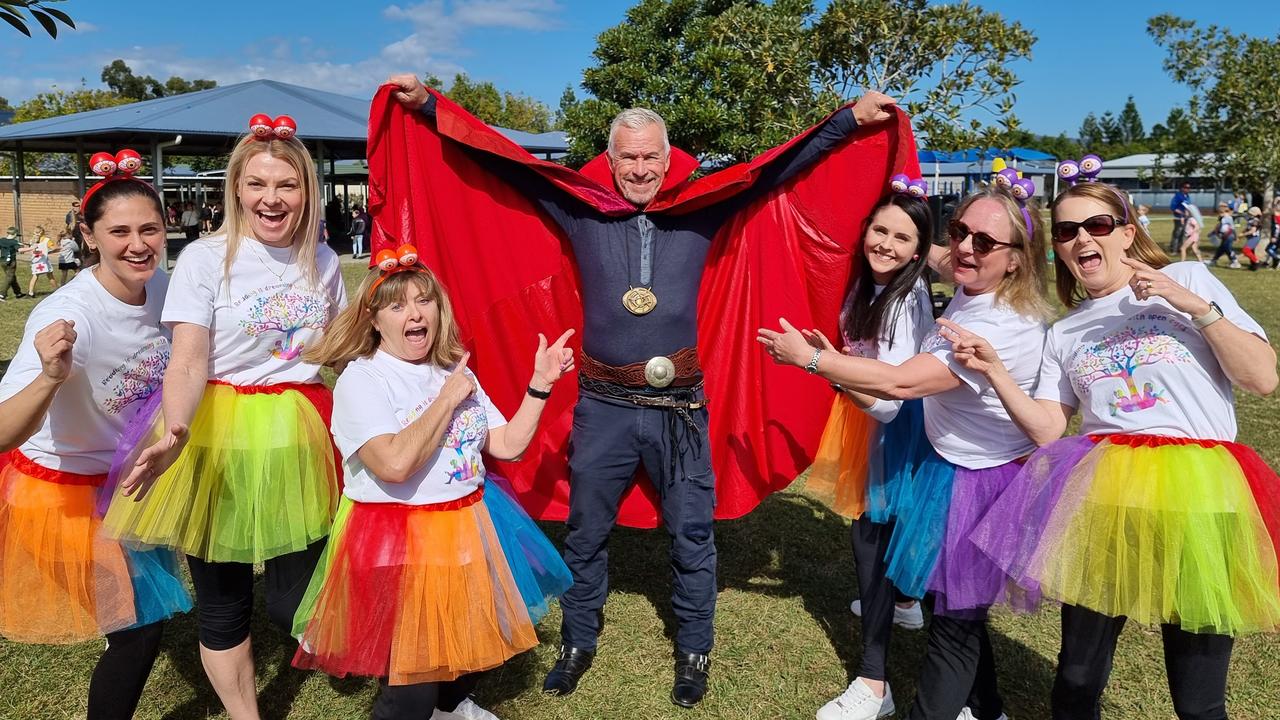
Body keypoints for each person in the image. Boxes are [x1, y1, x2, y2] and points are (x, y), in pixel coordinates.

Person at [382, 75, 904, 708]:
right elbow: (504, 160)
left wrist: (849, 120)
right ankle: (577, 641)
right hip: (603, 404)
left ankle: (693, 649)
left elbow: (774, 170)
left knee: (691, 535)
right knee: (586, 532)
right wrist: (432, 108)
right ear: (610, 159)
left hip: (680, 407)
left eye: (649, 156)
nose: (638, 169)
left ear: (668, 157)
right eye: (627, 157)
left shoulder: (702, 204)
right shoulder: (579, 207)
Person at [949, 180, 1280, 720]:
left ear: (1127, 233)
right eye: (1066, 230)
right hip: (1107, 502)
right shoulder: (1067, 331)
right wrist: (996, 373)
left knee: (1198, 702)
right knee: (1076, 682)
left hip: (1199, 501)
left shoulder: (1188, 278)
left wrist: (1196, 307)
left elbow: (1262, 378)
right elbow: (1048, 429)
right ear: (1056, 246)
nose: (1082, 237)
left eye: (1096, 225)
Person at [759, 183, 1052, 720]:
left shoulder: (997, 322)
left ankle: (919, 702)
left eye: (985, 241)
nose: (965, 247)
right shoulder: (972, 281)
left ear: (1016, 259)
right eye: (960, 231)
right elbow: (922, 249)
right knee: (952, 608)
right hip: (950, 459)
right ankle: (988, 709)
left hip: (977, 478)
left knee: (953, 625)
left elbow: (897, 387)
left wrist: (811, 362)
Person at [101, 115, 346, 719]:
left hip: (300, 430)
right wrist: (177, 430)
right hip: (217, 432)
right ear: (236, 188)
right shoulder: (206, 260)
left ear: (306, 191)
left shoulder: (324, 259)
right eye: (257, 184)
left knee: (295, 602)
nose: (271, 199)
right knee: (225, 600)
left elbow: (339, 348)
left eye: (286, 185)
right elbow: (186, 361)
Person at [293, 256, 576, 720]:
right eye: (398, 306)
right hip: (397, 539)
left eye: (424, 301)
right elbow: (395, 464)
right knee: (410, 691)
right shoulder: (362, 379)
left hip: (468, 523)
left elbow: (507, 445)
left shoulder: (454, 371)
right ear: (374, 318)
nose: (415, 315)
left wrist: (539, 386)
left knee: (471, 647)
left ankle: (451, 706)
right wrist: (446, 400)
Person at [0, 167, 191, 718]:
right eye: (120, 232)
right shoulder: (70, 314)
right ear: (89, 236)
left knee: (139, 622)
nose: (139, 246)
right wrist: (50, 376)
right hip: (60, 494)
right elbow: (5, 431)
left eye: (150, 230)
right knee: (136, 628)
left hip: (128, 485)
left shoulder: (165, 288)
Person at [789, 183, 935, 720]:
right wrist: (835, 357)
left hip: (897, 429)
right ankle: (905, 606)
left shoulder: (903, 299)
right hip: (876, 421)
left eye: (902, 237)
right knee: (889, 528)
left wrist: (817, 366)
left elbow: (887, 404)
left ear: (918, 252)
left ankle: (874, 685)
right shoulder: (870, 286)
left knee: (871, 543)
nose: (887, 245)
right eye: (880, 230)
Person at [26, 225, 58, 295]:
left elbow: (32, 252)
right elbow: (53, 248)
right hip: (44, 261)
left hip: (35, 261)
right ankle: (56, 290)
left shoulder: (32, 240)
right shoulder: (46, 240)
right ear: (43, 232)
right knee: (50, 275)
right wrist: (56, 249)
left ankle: (30, 292)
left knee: (35, 276)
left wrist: (39, 252)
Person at [1209, 204, 1239, 268]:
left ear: (1224, 212)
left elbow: (1232, 228)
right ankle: (1214, 261)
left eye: (1220, 213)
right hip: (1224, 236)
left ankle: (1235, 262)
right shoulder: (1222, 218)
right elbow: (1219, 226)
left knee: (1228, 249)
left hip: (1229, 236)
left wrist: (1236, 237)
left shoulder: (1228, 218)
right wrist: (1213, 232)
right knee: (1221, 249)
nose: (1219, 214)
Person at [0, 225, 24, 300]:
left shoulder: (2, 240)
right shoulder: (14, 242)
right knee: (9, 277)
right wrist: (32, 248)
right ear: (15, 234)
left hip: (2, 261)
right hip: (11, 262)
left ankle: (18, 293)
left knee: (12, 277)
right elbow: (20, 250)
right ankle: (2, 294)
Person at [1168, 182, 1191, 253]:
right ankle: (1173, 249)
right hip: (1178, 218)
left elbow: (1188, 206)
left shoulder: (1187, 196)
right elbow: (1173, 207)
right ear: (1182, 188)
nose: (1187, 189)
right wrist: (1182, 213)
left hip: (1186, 218)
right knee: (1177, 233)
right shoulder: (1177, 196)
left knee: (1183, 233)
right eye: (1186, 187)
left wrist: (1188, 212)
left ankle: (1180, 248)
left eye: (1189, 188)